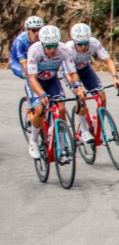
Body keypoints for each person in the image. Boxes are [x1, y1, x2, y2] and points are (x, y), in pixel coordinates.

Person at [25, 25, 85, 159]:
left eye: (54, 46)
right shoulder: (34, 51)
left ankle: (62, 144)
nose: (52, 50)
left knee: (61, 108)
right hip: (36, 83)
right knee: (40, 109)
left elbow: (73, 72)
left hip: (52, 81)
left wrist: (77, 86)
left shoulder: (64, 50)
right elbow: (32, 78)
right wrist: (41, 94)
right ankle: (33, 140)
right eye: (48, 47)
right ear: (42, 44)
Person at [62, 22, 119, 144]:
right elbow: (69, 73)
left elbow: (108, 61)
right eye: (80, 44)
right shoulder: (68, 49)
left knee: (102, 95)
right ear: (74, 42)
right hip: (70, 72)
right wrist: (77, 88)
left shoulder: (94, 43)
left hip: (85, 69)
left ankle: (98, 125)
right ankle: (84, 131)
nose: (83, 47)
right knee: (81, 97)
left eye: (85, 43)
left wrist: (115, 77)